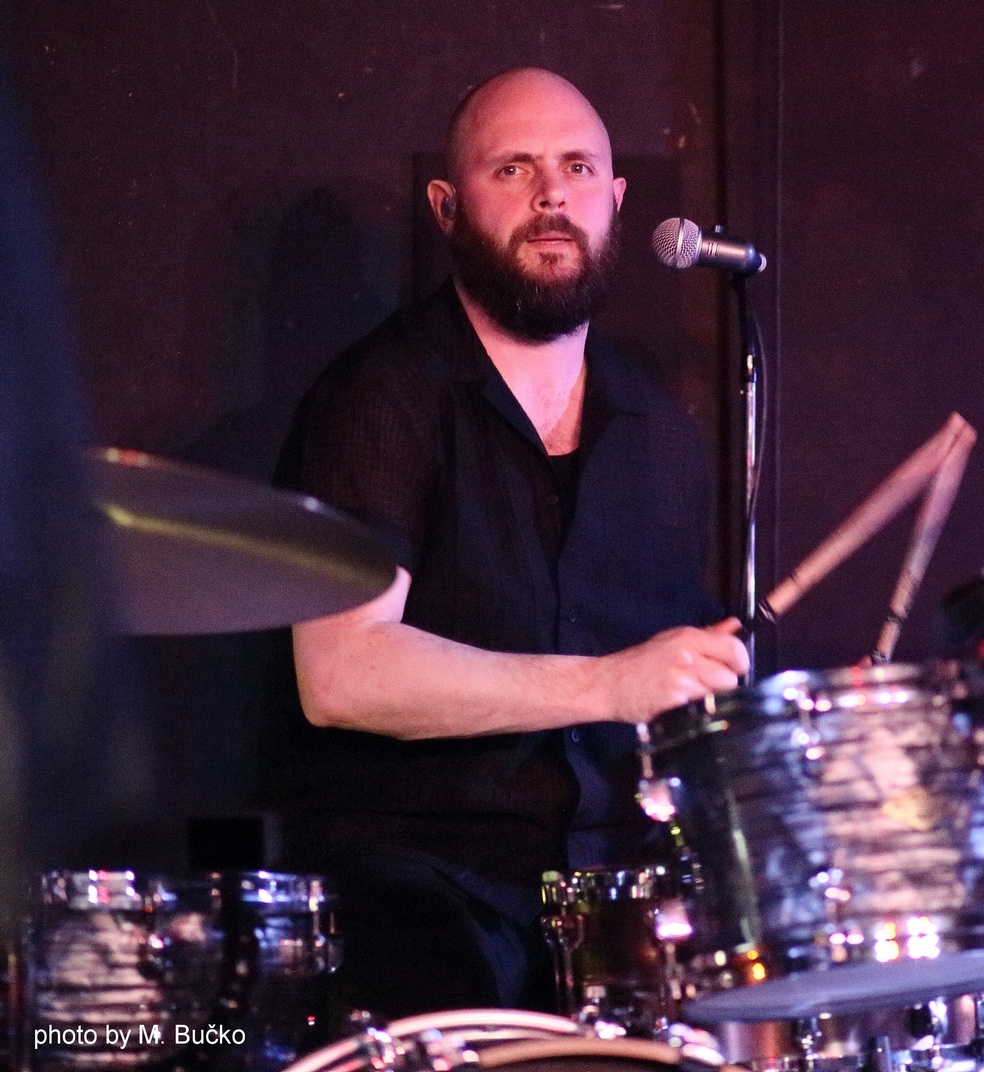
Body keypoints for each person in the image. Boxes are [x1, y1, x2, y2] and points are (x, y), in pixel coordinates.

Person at [259, 68, 748, 1020]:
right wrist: (604, 684)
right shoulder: (381, 397)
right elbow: (341, 675)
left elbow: (673, 694)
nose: (551, 194)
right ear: (447, 207)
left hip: (619, 903)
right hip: (427, 896)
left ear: (616, 199)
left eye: (577, 168)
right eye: (513, 169)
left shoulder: (658, 425)